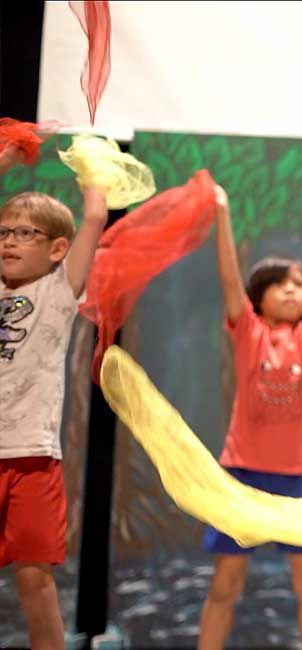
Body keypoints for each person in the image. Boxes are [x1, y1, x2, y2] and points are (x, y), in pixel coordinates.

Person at [197, 185, 302, 650]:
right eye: (280, 282)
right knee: (226, 582)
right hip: (241, 474)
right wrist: (223, 214)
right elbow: (229, 279)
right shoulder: (248, 329)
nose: (292, 289)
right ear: (259, 296)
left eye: (301, 283)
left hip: (296, 479)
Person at [1, 182, 109, 650]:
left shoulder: (57, 292)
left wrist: (96, 178)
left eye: (25, 233)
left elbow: (95, 219)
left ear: (56, 249)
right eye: (4, 232)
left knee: (35, 582)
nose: (9, 241)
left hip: (32, 460)